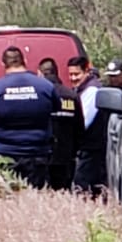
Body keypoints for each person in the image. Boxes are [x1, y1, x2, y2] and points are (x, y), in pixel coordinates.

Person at [0, 46, 60, 189]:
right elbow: (56, 108)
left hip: (3, 154)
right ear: (24, 61)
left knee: (4, 199)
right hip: (37, 154)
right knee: (37, 200)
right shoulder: (45, 86)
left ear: (3, 63)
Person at [67, 54, 108, 197]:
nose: (73, 78)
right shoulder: (81, 90)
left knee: (82, 188)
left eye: (76, 74)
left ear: (86, 71)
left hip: (92, 150)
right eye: (70, 74)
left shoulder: (92, 91)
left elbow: (83, 122)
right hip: (88, 150)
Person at [40, 57, 79, 191]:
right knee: (64, 193)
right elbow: (79, 127)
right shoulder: (71, 95)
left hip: (42, 156)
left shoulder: (39, 95)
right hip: (66, 157)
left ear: (40, 73)